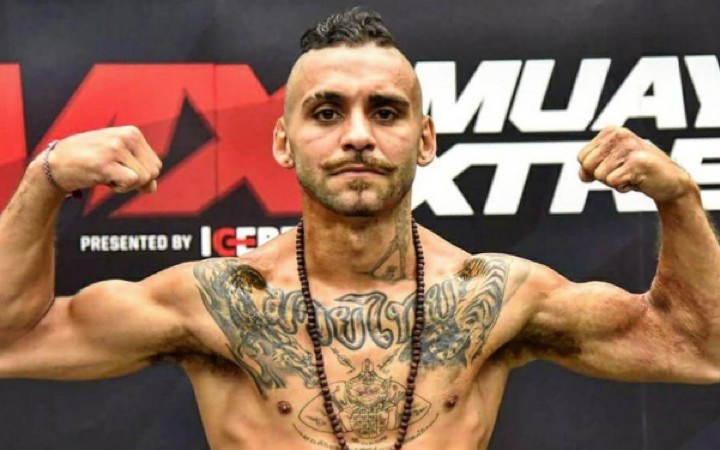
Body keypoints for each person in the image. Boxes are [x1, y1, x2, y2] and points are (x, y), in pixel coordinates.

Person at [1, 7, 719, 450]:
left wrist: (681, 200)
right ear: (283, 143)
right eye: (325, 112)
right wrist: (46, 178)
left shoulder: (497, 297)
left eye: (385, 111)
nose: (356, 135)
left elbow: (700, 348)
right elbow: (12, 338)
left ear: (425, 139)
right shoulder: (217, 302)